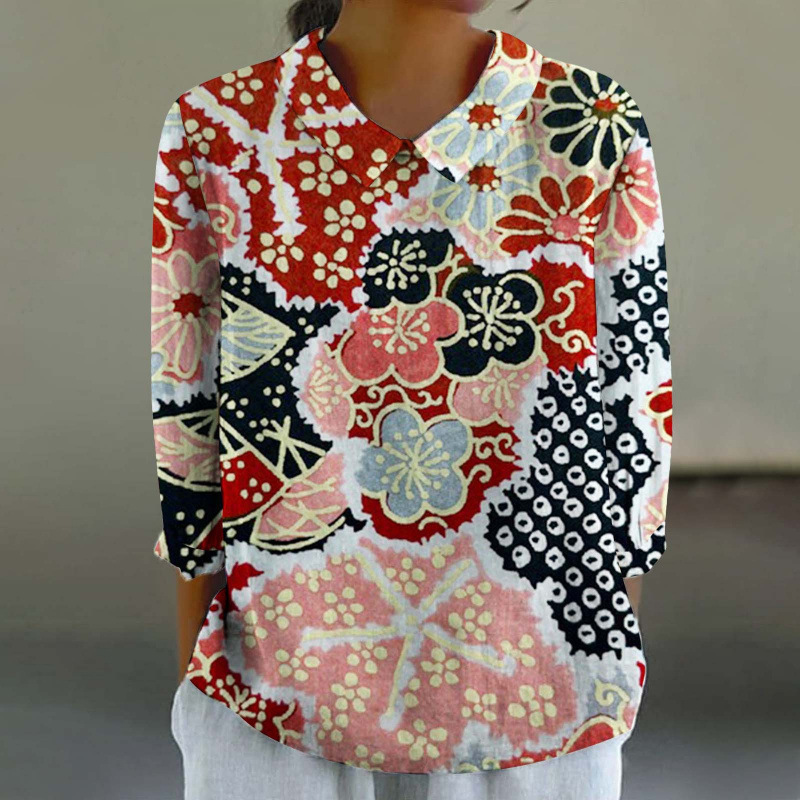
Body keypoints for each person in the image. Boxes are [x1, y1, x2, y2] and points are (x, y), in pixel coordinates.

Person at [150, 0, 673, 797]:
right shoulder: (218, 129)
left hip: (544, 693)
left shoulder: (587, 124)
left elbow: (635, 413)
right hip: (271, 688)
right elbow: (188, 416)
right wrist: (201, 688)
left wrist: (604, 653)